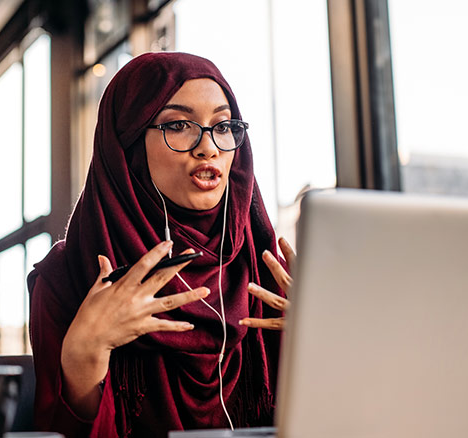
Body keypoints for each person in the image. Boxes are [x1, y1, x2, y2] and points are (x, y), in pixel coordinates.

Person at [27, 52, 293, 438]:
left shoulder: (263, 266)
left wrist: (323, 343)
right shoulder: (69, 275)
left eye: (222, 125)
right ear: (128, 145)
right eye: (180, 125)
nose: (209, 148)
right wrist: (85, 353)